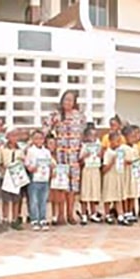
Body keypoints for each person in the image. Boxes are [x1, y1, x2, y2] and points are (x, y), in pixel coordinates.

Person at [42, 91, 85, 225]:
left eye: (71, 100)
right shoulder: (55, 115)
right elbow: (44, 131)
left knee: (72, 187)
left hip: (75, 156)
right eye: (65, 100)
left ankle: (70, 214)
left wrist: (82, 154)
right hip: (60, 155)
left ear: (75, 102)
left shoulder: (80, 116)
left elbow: (82, 135)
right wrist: (50, 148)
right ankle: (60, 215)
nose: (68, 102)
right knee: (61, 185)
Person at [26, 130, 54, 231]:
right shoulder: (30, 151)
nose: (39, 140)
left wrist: (51, 167)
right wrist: (32, 168)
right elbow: (27, 164)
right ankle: (34, 219)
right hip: (34, 179)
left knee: (43, 200)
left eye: (41, 138)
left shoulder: (46, 151)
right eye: (36, 138)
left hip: (44, 179)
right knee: (34, 200)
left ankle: (43, 218)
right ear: (32, 139)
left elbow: (51, 163)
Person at [0, 128, 26, 230]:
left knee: (16, 200)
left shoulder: (21, 149)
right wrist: (3, 166)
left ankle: (14, 220)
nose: (14, 138)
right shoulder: (2, 149)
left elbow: (24, 161)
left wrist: (22, 162)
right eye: (12, 135)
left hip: (16, 177)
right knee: (6, 200)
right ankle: (5, 218)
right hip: (5, 177)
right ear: (7, 137)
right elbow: (0, 162)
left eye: (16, 135)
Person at [79, 127, 103, 225]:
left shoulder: (98, 144)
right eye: (91, 135)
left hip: (95, 170)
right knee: (85, 192)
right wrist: (85, 155)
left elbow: (101, 156)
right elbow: (80, 159)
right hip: (87, 170)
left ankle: (93, 213)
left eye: (95, 135)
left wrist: (100, 154)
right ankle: (84, 214)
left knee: (94, 192)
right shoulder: (84, 146)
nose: (93, 137)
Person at [101, 132, 127, 225]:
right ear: (111, 141)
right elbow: (104, 169)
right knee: (108, 197)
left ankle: (120, 215)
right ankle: (107, 214)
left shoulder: (120, 152)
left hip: (118, 176)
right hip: (109, 177)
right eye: (117, 141)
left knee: (118, 197)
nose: (119, 143)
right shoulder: (108, 153)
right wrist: (112, 161)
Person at [122, 125, 140, 225]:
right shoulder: (122, 148)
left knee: (133, 193)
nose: (134, 138)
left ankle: (130, 211)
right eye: (131, 136)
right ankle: (125, 211)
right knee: (126, 192)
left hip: (134, 172)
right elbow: (120, 160)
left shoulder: (135, 147)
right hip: (126, 172)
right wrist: (127, 162)